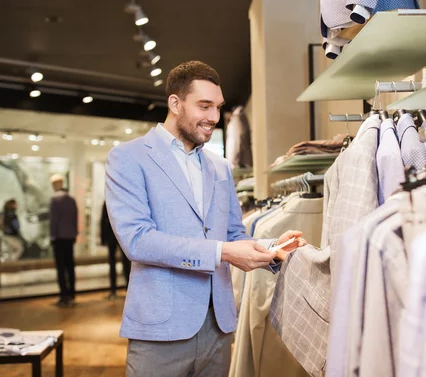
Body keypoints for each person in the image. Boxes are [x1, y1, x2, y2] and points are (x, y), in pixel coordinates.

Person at [105, 60, 308, 377]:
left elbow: (233, 235)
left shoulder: (220, 166)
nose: (214, 117)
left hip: (219, 327)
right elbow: (137, 241)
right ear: (175, 103)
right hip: (161, 330)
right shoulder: (128, 158)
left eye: (218, 107)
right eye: (204, 106)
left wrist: (271, 246)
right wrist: (223, 252)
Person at [49, 174, 78, 307]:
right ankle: (71, 293)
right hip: (70, 236)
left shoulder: (55, 200)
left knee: (61, 267)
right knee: (70, 266)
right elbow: (75, 219)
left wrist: (52, 236)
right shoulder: (71, 200)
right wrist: (74, 234)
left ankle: (63, 295)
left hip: (59, 237)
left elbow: (53, 221)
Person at [101, 201, 131, 299]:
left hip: (119, 236)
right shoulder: (112, 201)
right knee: (118, 263)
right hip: (115, 236)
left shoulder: (111, 201)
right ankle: (114, 289)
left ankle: (122, 289)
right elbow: (103, 220)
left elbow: (103, 221)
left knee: (125, 262)